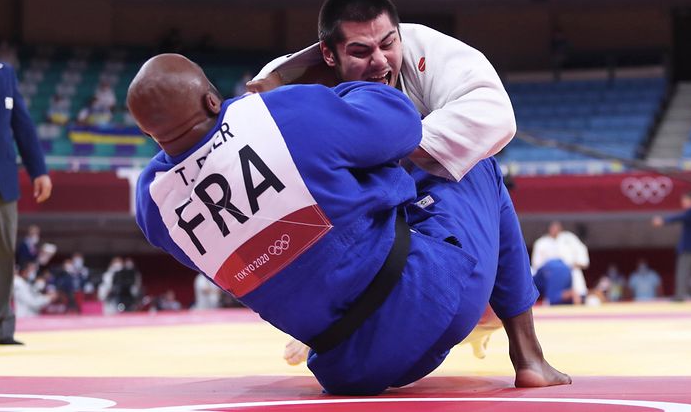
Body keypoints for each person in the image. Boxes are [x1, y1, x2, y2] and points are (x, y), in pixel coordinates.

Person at [129, 53, 569, 395]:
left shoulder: (152, 206)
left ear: (151, 133)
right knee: (474, 159)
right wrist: (330, 83)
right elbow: (402, 124)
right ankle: (530, 357)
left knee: (337, 223)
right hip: (432, 303)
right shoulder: (275, 115)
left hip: (349, 369)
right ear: (211, 99)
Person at [248, 0, 531, 367]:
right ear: (329, 55)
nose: (380, 62)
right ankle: (528, 354)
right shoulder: (290, 93)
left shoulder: (429, 53)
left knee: (472, 157)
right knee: (483, 171)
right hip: (386, 266)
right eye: (361, 52)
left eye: (388, 44)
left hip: (343, 365)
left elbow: (498, 117)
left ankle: (331, 327)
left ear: (401, 34)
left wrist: (387, 141)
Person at [0, 23, 53, 346]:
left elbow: (22, 124)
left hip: (3, 176)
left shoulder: (4, 73)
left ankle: (0, 330)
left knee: (2, 253)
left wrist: (39, 169)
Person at [652, 192, 691, 301]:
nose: (683, 203)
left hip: (688, 248)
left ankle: (680, 295)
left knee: (682, 272)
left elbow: (678, 217)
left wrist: (663, 221)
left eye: (684, 200)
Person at [531, 221, 590, 304]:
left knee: (577, 298)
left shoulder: (570, 238)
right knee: (553, 299)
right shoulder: (541, 243)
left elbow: (583, 259)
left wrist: (570, 266)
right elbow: (536, 265)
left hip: (572, 273)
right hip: (550, 276)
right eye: (553, 227)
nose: (555, 230)